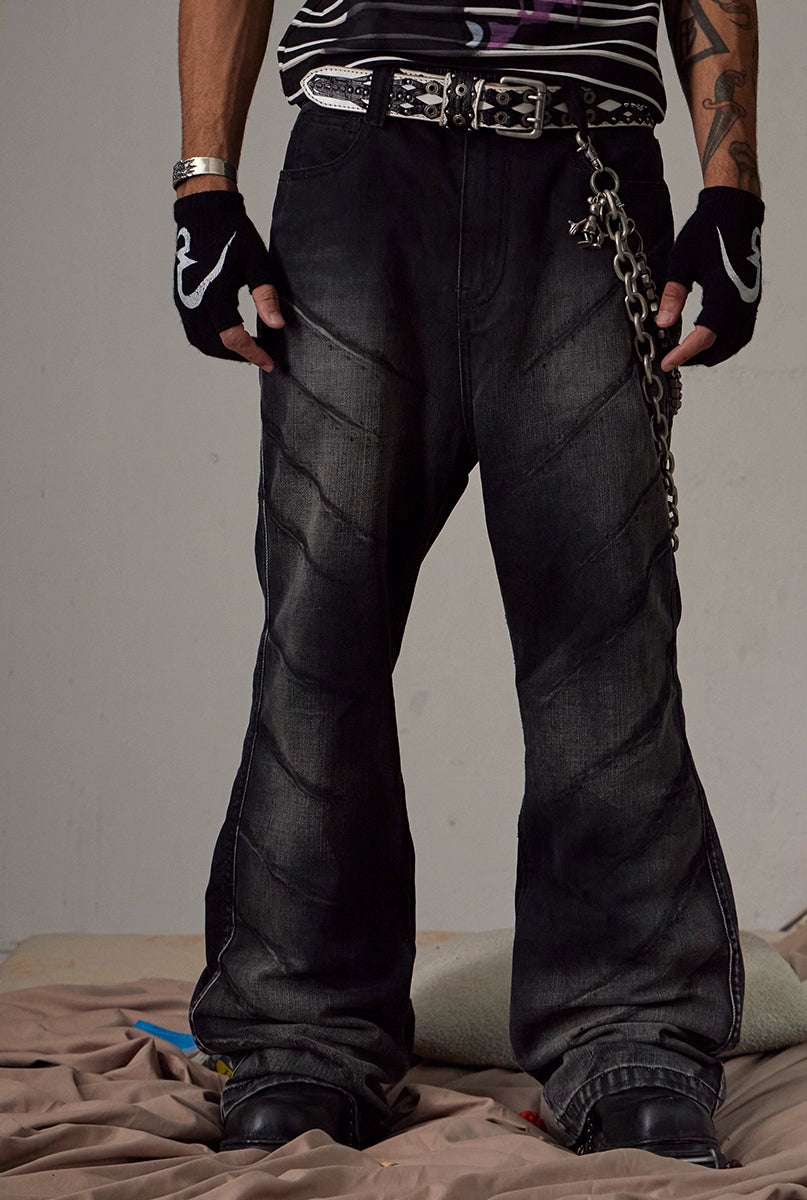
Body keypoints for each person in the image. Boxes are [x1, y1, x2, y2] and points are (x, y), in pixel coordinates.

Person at [173, 0, 763, 1168]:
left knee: (605, 629)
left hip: (587, 163)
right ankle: (299, 1037)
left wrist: (731, 189)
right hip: (360, 160)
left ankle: (632, 1033)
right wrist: (203, 183)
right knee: (323, 621)